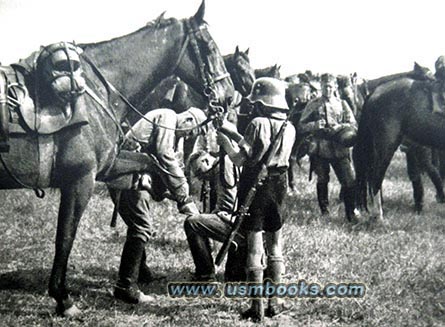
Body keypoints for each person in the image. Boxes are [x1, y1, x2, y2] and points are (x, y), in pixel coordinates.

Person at [217, 77, 296, 322]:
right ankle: (275, 301)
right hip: (278, 186)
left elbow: (242, 158)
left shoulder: (256, 123)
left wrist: (225, 143)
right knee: (275, 246)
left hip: (256, 187)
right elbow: (262, 146)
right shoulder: (290, 127)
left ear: (262, 102)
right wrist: (231, 129)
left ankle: (256, 307)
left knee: (254, 247)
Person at [111, 107, 206, 304]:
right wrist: (183, 194)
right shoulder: (169, 117)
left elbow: (160, 164)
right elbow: (164, 155)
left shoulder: (168, 123)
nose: (187, 136)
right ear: (188, 119)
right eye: (190, 132)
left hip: (131, 172)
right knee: (141, 226)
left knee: (137, 223)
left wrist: (175, 194)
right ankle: (125, 286)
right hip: (128, 174)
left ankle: (142, 272)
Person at [298, 73, 358, 221]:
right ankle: (324, 211)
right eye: (325, 87)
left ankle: (350, 213)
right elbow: (300, 126)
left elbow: (353, 123)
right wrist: (314, 125)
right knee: (322, 179)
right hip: (320, 148)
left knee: (349, 180)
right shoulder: (313, 104)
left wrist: (340, 126)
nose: (328, 90)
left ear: (335, 87)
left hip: (339, 147)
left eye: (330, 86)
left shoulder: (342, 103)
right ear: (321, 87)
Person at [184, 148, 247, 282]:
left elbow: (228, 208)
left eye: (200, 173)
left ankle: (205, 276)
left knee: (192, 223)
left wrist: (211, 216)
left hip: (240, 225)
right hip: (245, 223)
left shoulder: (223, 167)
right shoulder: (222, 165)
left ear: (206, 160)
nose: (202, 178)